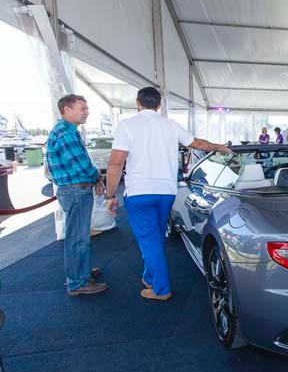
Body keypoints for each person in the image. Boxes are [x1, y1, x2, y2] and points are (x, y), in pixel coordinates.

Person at [104, 87, 231, 301]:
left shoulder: (127, 125)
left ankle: (161, 289)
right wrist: (220, 147)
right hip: (166, 192)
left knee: (148, 240)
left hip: (139, 193)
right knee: (155, 238)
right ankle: (151, 277)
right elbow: (197, 143)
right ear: (159, 104)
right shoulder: (170, 125)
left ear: (138, 103)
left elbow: (116, 163)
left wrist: (110, 195)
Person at [46, 94, 107, 296]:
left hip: (73, 190)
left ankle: (79, 272)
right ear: (67, 109)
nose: (87, 112)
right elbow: (80, 164)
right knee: (78, 238)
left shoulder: (65, 131)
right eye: (82, 108)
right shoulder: (66, 134)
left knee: (78, 235)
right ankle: (78, 282)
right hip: (75, 191)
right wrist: (98, 177)